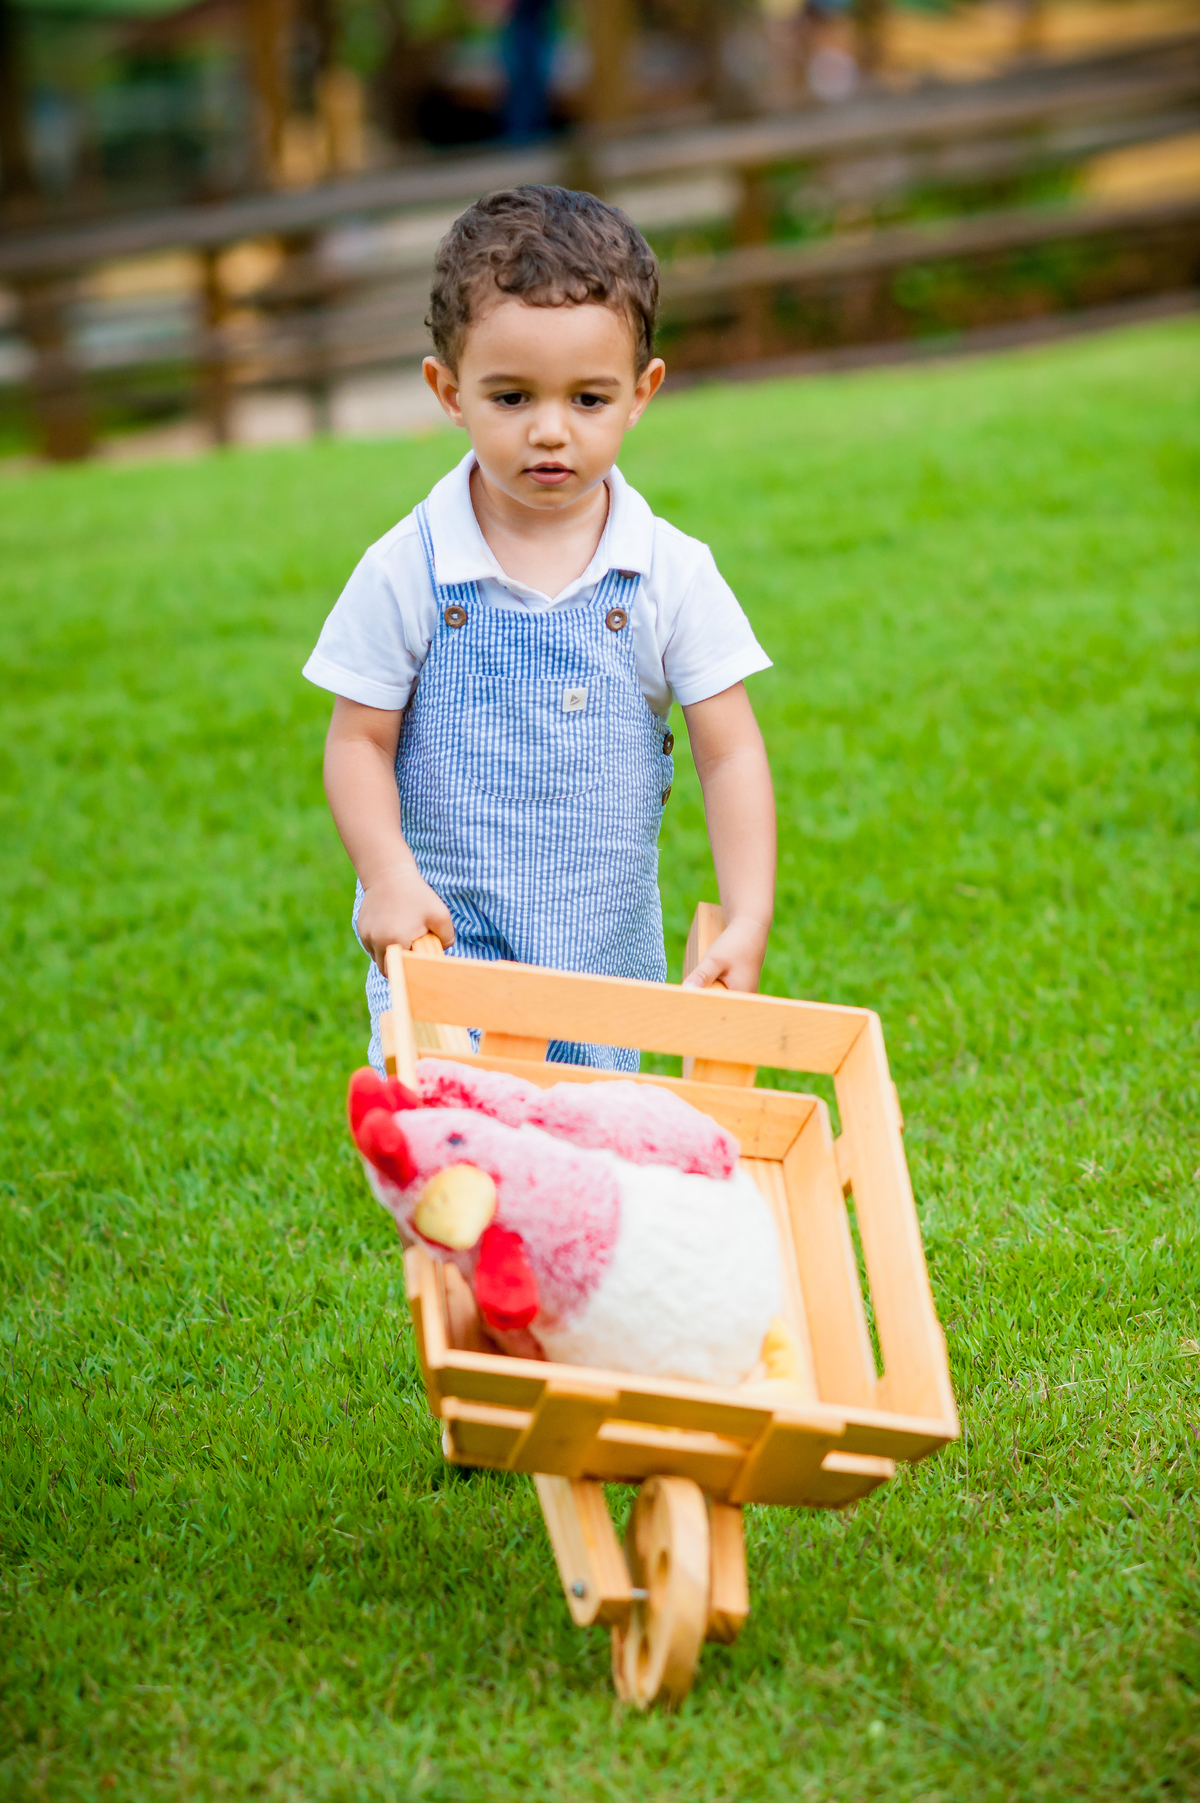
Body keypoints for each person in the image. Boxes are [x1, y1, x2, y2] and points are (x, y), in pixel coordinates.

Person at [304, 185, 776, 1074]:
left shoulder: (668, 574)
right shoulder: (407, 569)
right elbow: (358, 743)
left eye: (588, 400)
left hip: (604, 970)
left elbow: (730, 752)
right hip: (446, 954)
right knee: (457, 1166)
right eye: (512, 396)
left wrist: (747, 914)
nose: (550, 431)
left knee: (594, 1178)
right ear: (448, 390)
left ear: (642, 393)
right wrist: (387, 876)